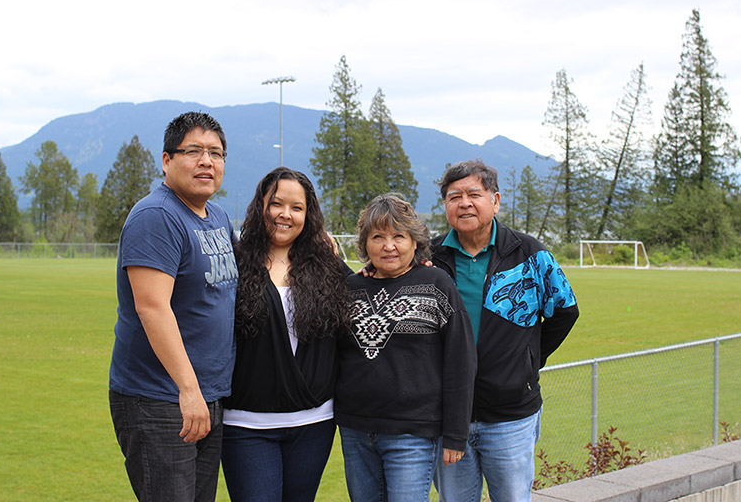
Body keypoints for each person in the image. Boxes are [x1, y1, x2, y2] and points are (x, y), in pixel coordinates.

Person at [431, 160, 579, 502]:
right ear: (445, 206)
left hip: (511, 415)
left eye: (473, 194)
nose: (464, 203)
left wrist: (528, 360)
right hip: (448, 415)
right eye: (454, 196)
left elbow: (565, 311)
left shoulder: (530, 254)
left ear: (495, 201)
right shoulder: (429, 258)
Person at [109, 111, 237, 502]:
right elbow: (152, 308)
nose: (206, 161)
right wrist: (188, 390)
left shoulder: (215, 215)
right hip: (162, 399)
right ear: (166, 160)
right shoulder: (157, 216)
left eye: (216, 153)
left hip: (208, 396)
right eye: (193, 151)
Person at [335, 193, 477, 502]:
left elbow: (460, 362)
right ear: (365, 243)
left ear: (415, 241)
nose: (388, 246)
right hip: (356, 429)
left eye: (398, 236)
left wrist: (455, 433)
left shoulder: (437, 284)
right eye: (378, 237)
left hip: (413, 433)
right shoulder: (350, 290)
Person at [221, 167, 352, 502]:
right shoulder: (234, 263)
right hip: (246, 425)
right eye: (276, 203)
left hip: (314, 425)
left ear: (309, 216)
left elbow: (374, 286)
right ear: (260, 206)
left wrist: (418, 267)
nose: (285, 214)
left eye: (297, 207)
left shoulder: (327, 266)